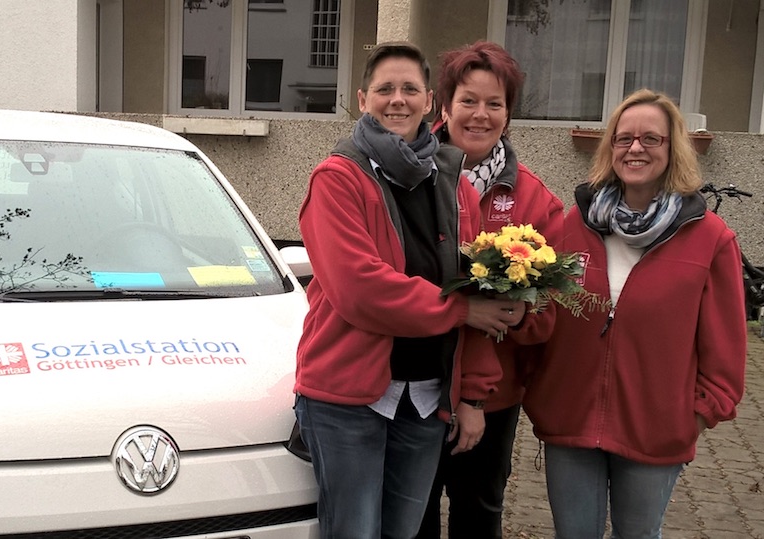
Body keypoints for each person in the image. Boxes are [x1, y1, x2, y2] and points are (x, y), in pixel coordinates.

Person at [293, 41, 523, 539]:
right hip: (349, 399)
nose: (397, 100)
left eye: (409, 89)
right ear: (362, 99)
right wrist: (462, 309)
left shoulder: (456, 184)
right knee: (354, 532)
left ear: (430, 102)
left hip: (423, 400)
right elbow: (361, 291)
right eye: (384, 89)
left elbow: (481, 287)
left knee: (404, 534)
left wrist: (475, 397)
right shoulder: (337, 178)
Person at [522, 88, 747, 538]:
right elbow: (545, 315)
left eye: (651, 139)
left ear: (672, 148)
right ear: (611, 149)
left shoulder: (710, 237)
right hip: (570, 420)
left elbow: (726, 344)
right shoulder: (576, 223)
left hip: (655, 430)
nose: (636, 148)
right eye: (624, 139)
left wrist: (698, 414)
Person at [417, 41, 564, 539]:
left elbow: (550, 313)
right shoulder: (406, 179)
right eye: (468, 100)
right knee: (410, 517)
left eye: (494, 103)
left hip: (495, 399)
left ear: (509, 113)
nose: (480, 115)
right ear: (444, 105)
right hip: (414, 388)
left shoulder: (535, 200)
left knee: (478, 515)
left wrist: (515, 313)